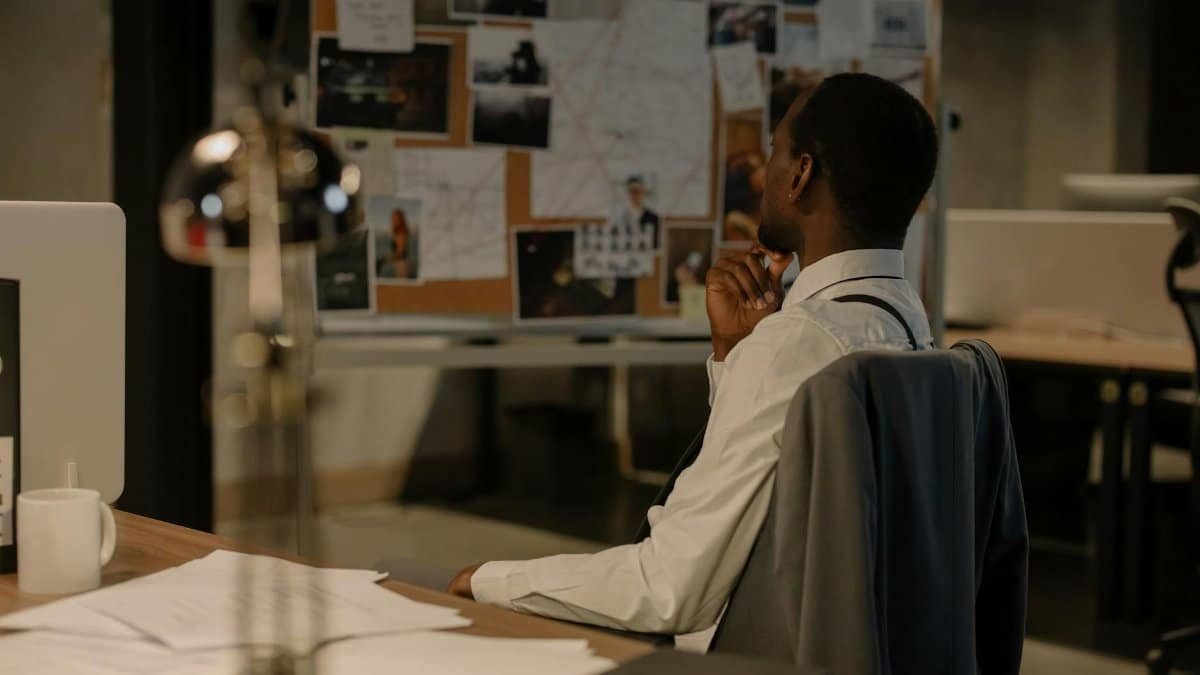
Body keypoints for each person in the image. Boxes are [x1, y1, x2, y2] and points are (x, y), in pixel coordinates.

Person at [447, 72, 940, 651]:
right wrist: (734, 356)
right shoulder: (907, 321)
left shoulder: (798, 343)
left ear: (801, 175)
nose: (767, 166)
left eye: (776, 150)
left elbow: (667, 587)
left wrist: (490, 580)